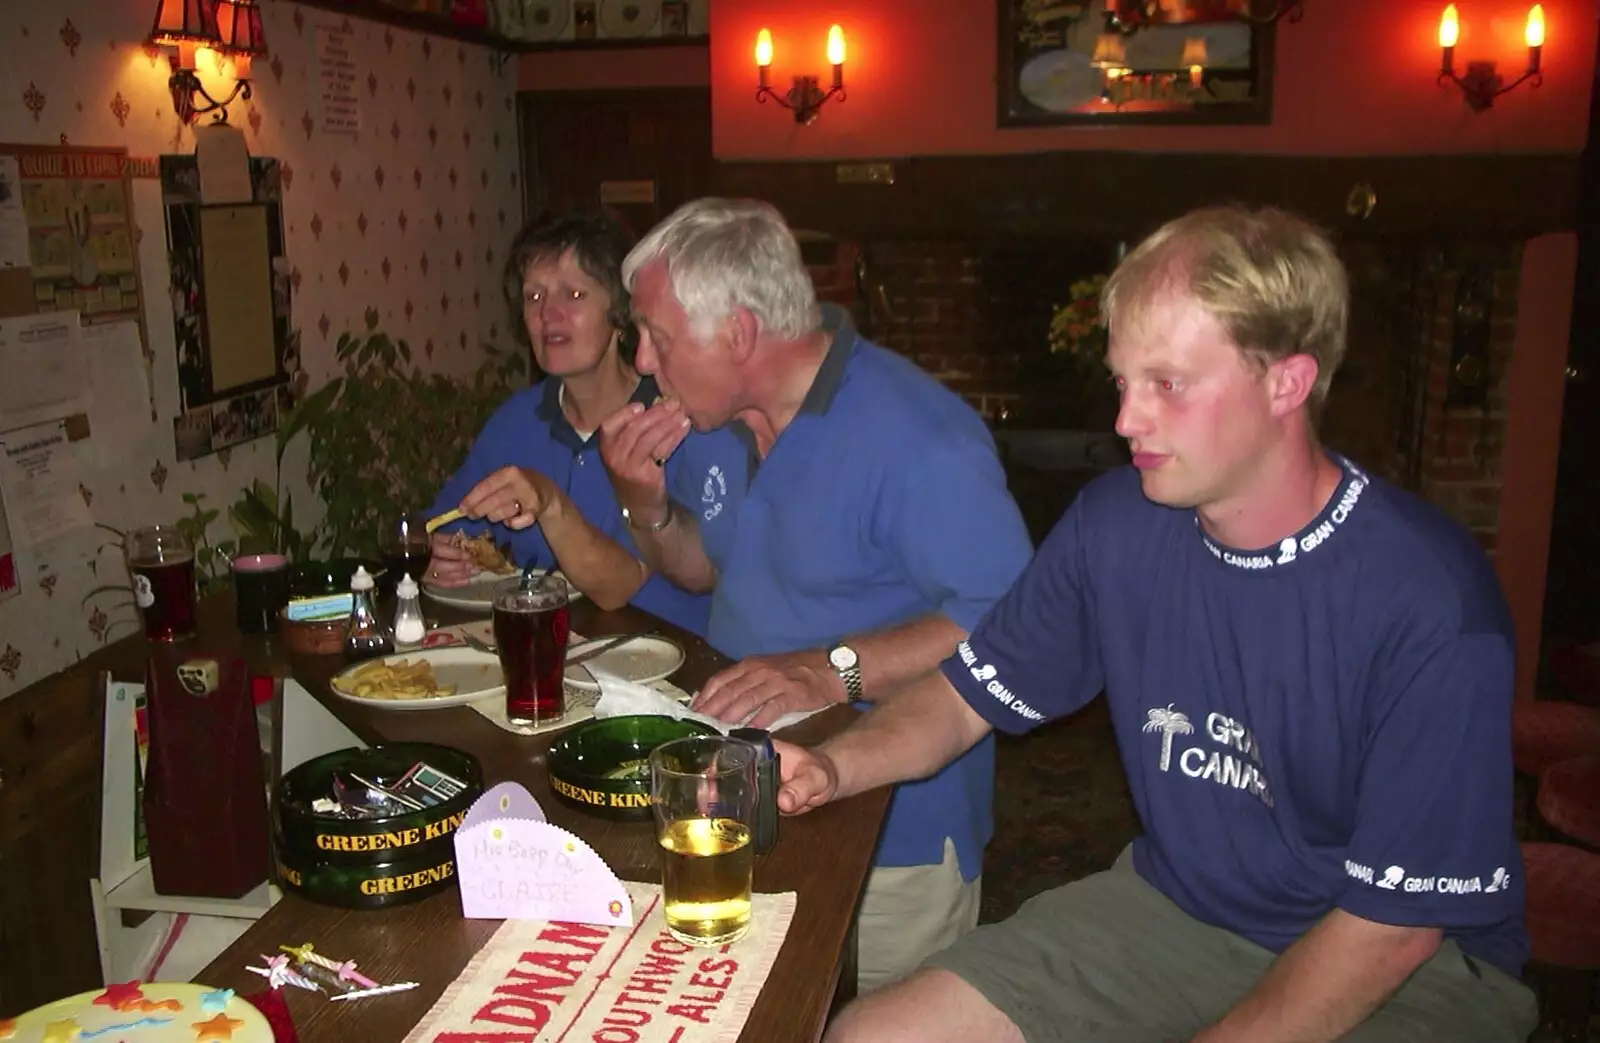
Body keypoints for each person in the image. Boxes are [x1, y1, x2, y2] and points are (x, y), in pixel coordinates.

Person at [777, 205, 1539, 1043]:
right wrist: (832, 765)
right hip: (1180, 907)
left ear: (1286, 382)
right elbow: (965, 698)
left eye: (1166, 384)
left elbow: (1393, 926)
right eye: (1122, 381)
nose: (1126, 420)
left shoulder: (1431, 600)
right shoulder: (1117, 524)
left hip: (1410, 963)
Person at [597, 198, 1035, 990]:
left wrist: (831, 669)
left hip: (891, 831)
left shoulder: (920, 438)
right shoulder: (706, 422)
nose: (642, 363)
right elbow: (701, 566)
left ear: (736, 333)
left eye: (658, 338)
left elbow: (1010, 622)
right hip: (738, 798)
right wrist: (645, 505)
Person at [425, 210, 709, 636]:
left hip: (672, 667)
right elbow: (441, 525)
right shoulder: (516, 422)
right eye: (534, 297)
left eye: (573, 296)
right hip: (547, 655)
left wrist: (548, 501)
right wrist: (440, 553)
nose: (548, 315)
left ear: (619, 314)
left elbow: (617, 586)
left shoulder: (672, 421)